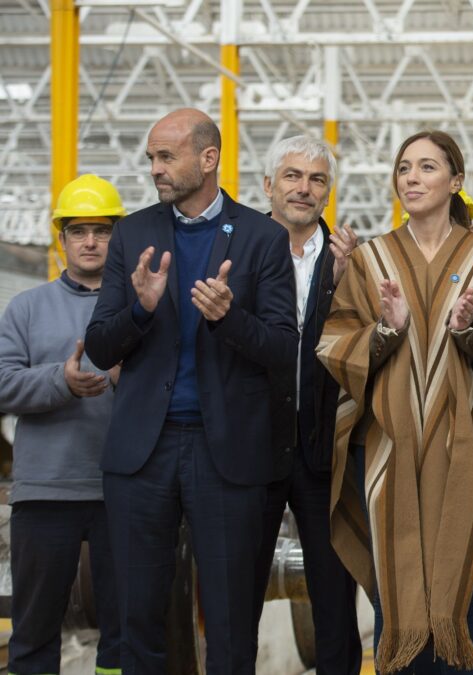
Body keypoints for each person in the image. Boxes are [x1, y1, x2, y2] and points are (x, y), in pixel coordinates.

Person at [85, 108, 297, 674]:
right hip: (141, 455)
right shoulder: (132, 234)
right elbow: (100, 347)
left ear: (208, 159)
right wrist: (140, 308)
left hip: (223, 452)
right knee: (137, 619)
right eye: (152, 157)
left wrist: (228, 319)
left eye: (165, 156)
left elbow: (283, 348)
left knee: (229, 621)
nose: (154, 168)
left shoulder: (263, 238)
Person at [316, 130, 473, 674]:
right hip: (389, 447)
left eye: (427, 168)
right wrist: (386, 333)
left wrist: (471, 331)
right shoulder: (372, 260)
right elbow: (334, 342)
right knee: (397, 583)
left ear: (456, 181)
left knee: (464, 587)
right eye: (404, 168)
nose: (411, 178)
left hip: (469, 448)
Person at [0, 174, 128, 675]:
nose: (91, 241)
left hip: (123, 490)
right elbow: (3, 384)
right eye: (79, 231)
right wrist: (62, 381)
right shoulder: (26, 309)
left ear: (116, 237)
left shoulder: (138, 309)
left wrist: (128, 378)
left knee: (124, 632)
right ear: (62, 239)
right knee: (34, 632)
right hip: (44, 492)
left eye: (101, 230)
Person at [252, 135, 362, 672]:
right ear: (268, 185)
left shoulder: (350, 264)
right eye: (292, 176)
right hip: (248, 451)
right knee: (234, 600)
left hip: (324, 453)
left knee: (334, 595)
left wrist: (347, 289)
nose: (304, 188)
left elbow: (356, 351)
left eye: (317, 180)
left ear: (328, 192)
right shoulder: (238, 251)